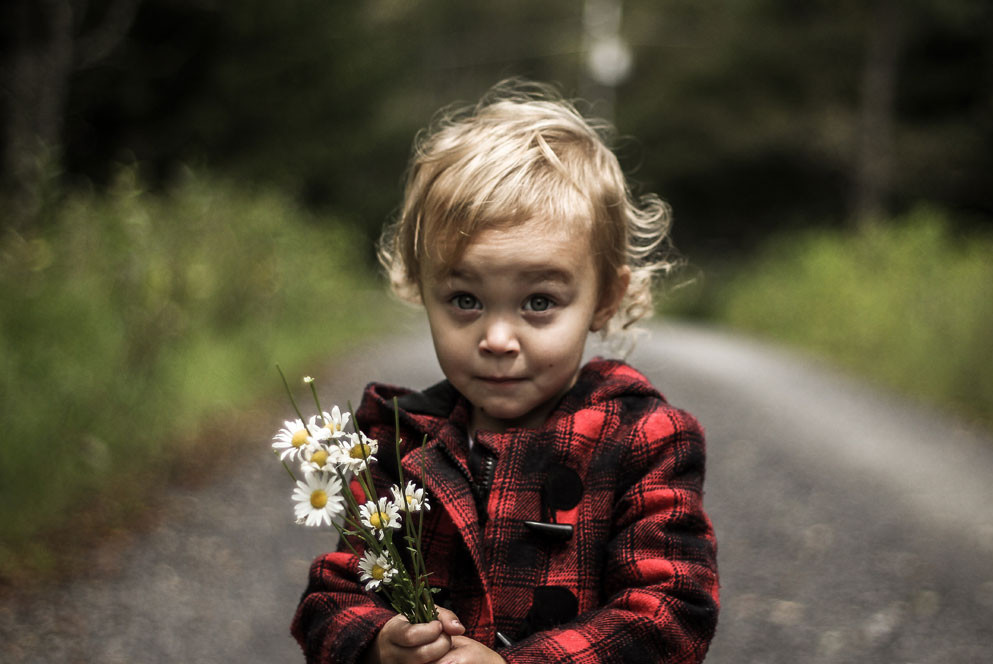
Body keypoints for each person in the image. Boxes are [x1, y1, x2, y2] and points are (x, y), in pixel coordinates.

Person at [291, 79, 719, 664]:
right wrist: (379, 641)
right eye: (466, 300)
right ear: (421, 288)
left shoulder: (642, 438)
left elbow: (672, 613)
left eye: (539, 303)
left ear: (604, 299)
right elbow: (332, 597)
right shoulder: (400, 438)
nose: (496, 339)